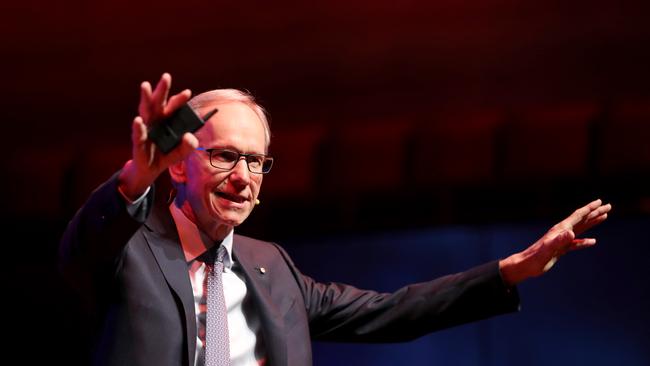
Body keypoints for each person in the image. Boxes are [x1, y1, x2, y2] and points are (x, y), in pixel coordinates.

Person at [59, 73, 612, 366]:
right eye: (225, 155)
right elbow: (84, 245)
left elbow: (392, 312)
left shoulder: (270, 266)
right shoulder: (129, 250)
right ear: (178, 166)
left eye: (256, 162)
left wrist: (511, 271)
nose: (243, 177)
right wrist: (135, 175)